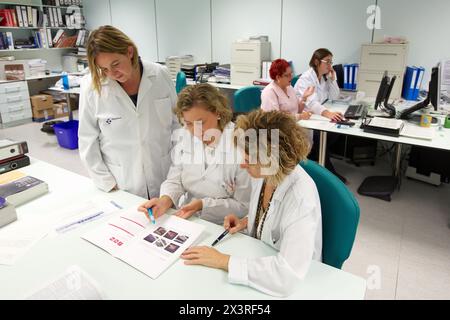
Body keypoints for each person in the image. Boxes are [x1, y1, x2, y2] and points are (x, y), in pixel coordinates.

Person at [181, 110, 322, 297]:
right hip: (261, 255)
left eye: (247, 160)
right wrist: (246, 221)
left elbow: (287, 276)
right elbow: (271, 213)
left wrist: (224, 261)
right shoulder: (265, 174)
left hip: (298, 284)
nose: (242, 165)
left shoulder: (301, 199)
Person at [78, 26, 179, 199]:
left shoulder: (160, 74)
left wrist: (177, 174)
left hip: (164, 177)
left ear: (129, 51)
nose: (112, 74)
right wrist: (107, 183)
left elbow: (177, 125)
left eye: (115, 64)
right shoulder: (91, 87)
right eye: (104, 69)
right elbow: (87, 140)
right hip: (121, 183)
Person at [138, 84, 251, 225]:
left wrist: (203, 205)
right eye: (188, 123)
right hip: (186, 218)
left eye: (201, 122)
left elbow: (244, 206)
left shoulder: (241, 146)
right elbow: (175, 179)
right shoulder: (185, 136)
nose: (195, 131)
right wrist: (163, 201)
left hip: (223, 224)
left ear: (217, 112)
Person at [294, 48, 347, 183]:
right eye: (327, 62)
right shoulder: (306, 79)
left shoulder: (323, 78)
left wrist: (333, 79)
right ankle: (328, 172)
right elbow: (312, 103)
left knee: (335, 131)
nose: (330, 66)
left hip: (316, 117)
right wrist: (329, 114)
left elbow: (334, 96)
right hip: (303, 119)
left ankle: (319, 161)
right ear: (317, 62)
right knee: (323, 135)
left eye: (331, 62)